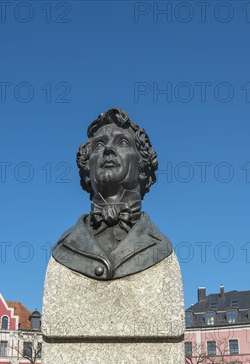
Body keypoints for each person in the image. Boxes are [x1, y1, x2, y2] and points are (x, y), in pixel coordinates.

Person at [52, 108, 172, 280]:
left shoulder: (159, 246)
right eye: (99, 145)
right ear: (87, 168)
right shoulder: (66, 246)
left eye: (122, 142)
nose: (108, 148)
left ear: (143, 166)